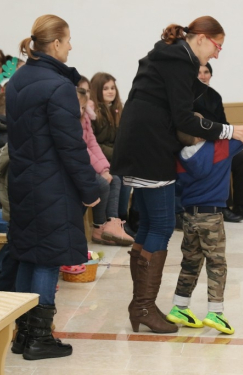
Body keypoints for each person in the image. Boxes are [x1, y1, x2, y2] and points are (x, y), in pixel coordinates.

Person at [111, 16, 243, 334]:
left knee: (149, 224)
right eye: (218, 46)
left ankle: (141, 305)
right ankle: (144, 306)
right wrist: (229, 129)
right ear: (202, 38)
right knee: (162, 225)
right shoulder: (180, 60)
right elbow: (183, 118)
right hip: (150, 149)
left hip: (140, 144)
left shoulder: (171, 53)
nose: (218, 54)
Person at [6, 14, 100, 360]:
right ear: (56, 43)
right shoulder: (58, 86)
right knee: (47, 259)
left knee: (28, 256)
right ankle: (39, 338)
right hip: (52, 185)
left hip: (23, 181)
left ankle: (20, 334)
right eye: (68, 39)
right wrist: (90, 190)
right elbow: (71, 146)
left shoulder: (17, 80)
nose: (71, 46)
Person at [167, 87, 243, 334]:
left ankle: (180, 306)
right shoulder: (218, 149)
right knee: (217, 264)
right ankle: (215, 312)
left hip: (189, 217)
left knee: (190, 263)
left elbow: (177, 190)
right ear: (200, 134)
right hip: (212, 216)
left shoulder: (179, 159)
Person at [194, 63, 243, 222]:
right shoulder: (186, 95)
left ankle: (239, 205)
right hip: (198, 143)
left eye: (206, 72)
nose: (203, 76)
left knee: (242, 159)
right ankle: (224, 207)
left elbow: (224, 123)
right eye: (199, 72)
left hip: (218, 139)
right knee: (223, 159)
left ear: (210, 76)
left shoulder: (214, 96)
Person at [76, 88, 133, 245]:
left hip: (95, 161)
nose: (81, 109)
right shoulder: (73, 120)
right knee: (102, 183)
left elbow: (92, 143)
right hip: (80, 163)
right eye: (105, 88)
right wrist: (101, 170)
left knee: (115, 179)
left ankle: (113, 222)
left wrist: (105, 169)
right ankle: (99, 227)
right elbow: (83, 147)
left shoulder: (87, 116)